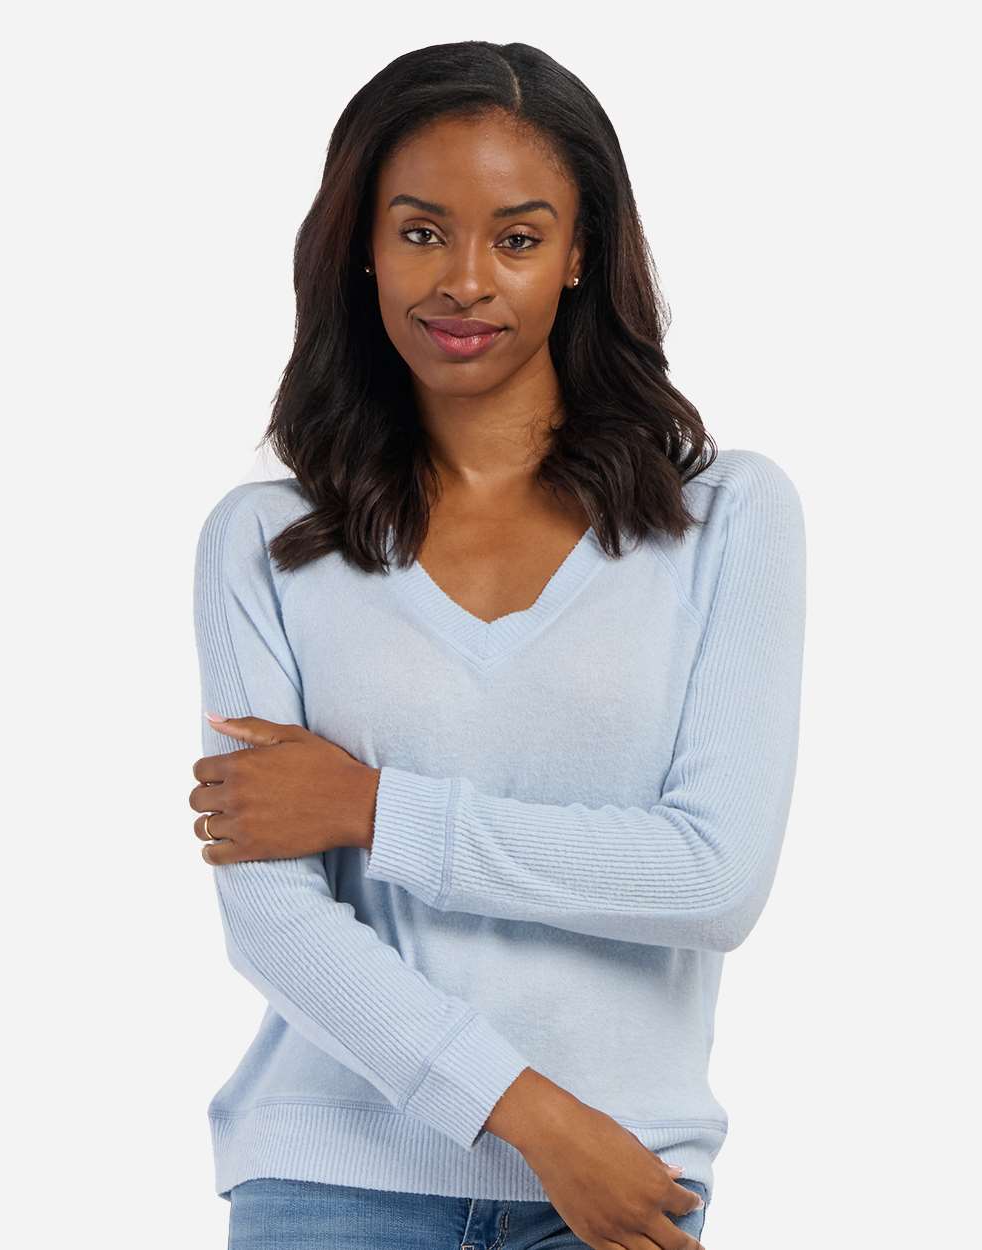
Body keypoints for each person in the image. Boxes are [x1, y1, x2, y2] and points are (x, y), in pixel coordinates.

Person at [189, 39, 806, 1250]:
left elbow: (712, 876)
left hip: (625, 1183)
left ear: (581, 253)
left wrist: (373, 807)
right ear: (362, 247)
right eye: (421, 232)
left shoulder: (727, 518)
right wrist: (531, 1115)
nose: (464, 280)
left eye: (516, 237)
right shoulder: (263, 541)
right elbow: (270, 914)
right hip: (336, 1180)